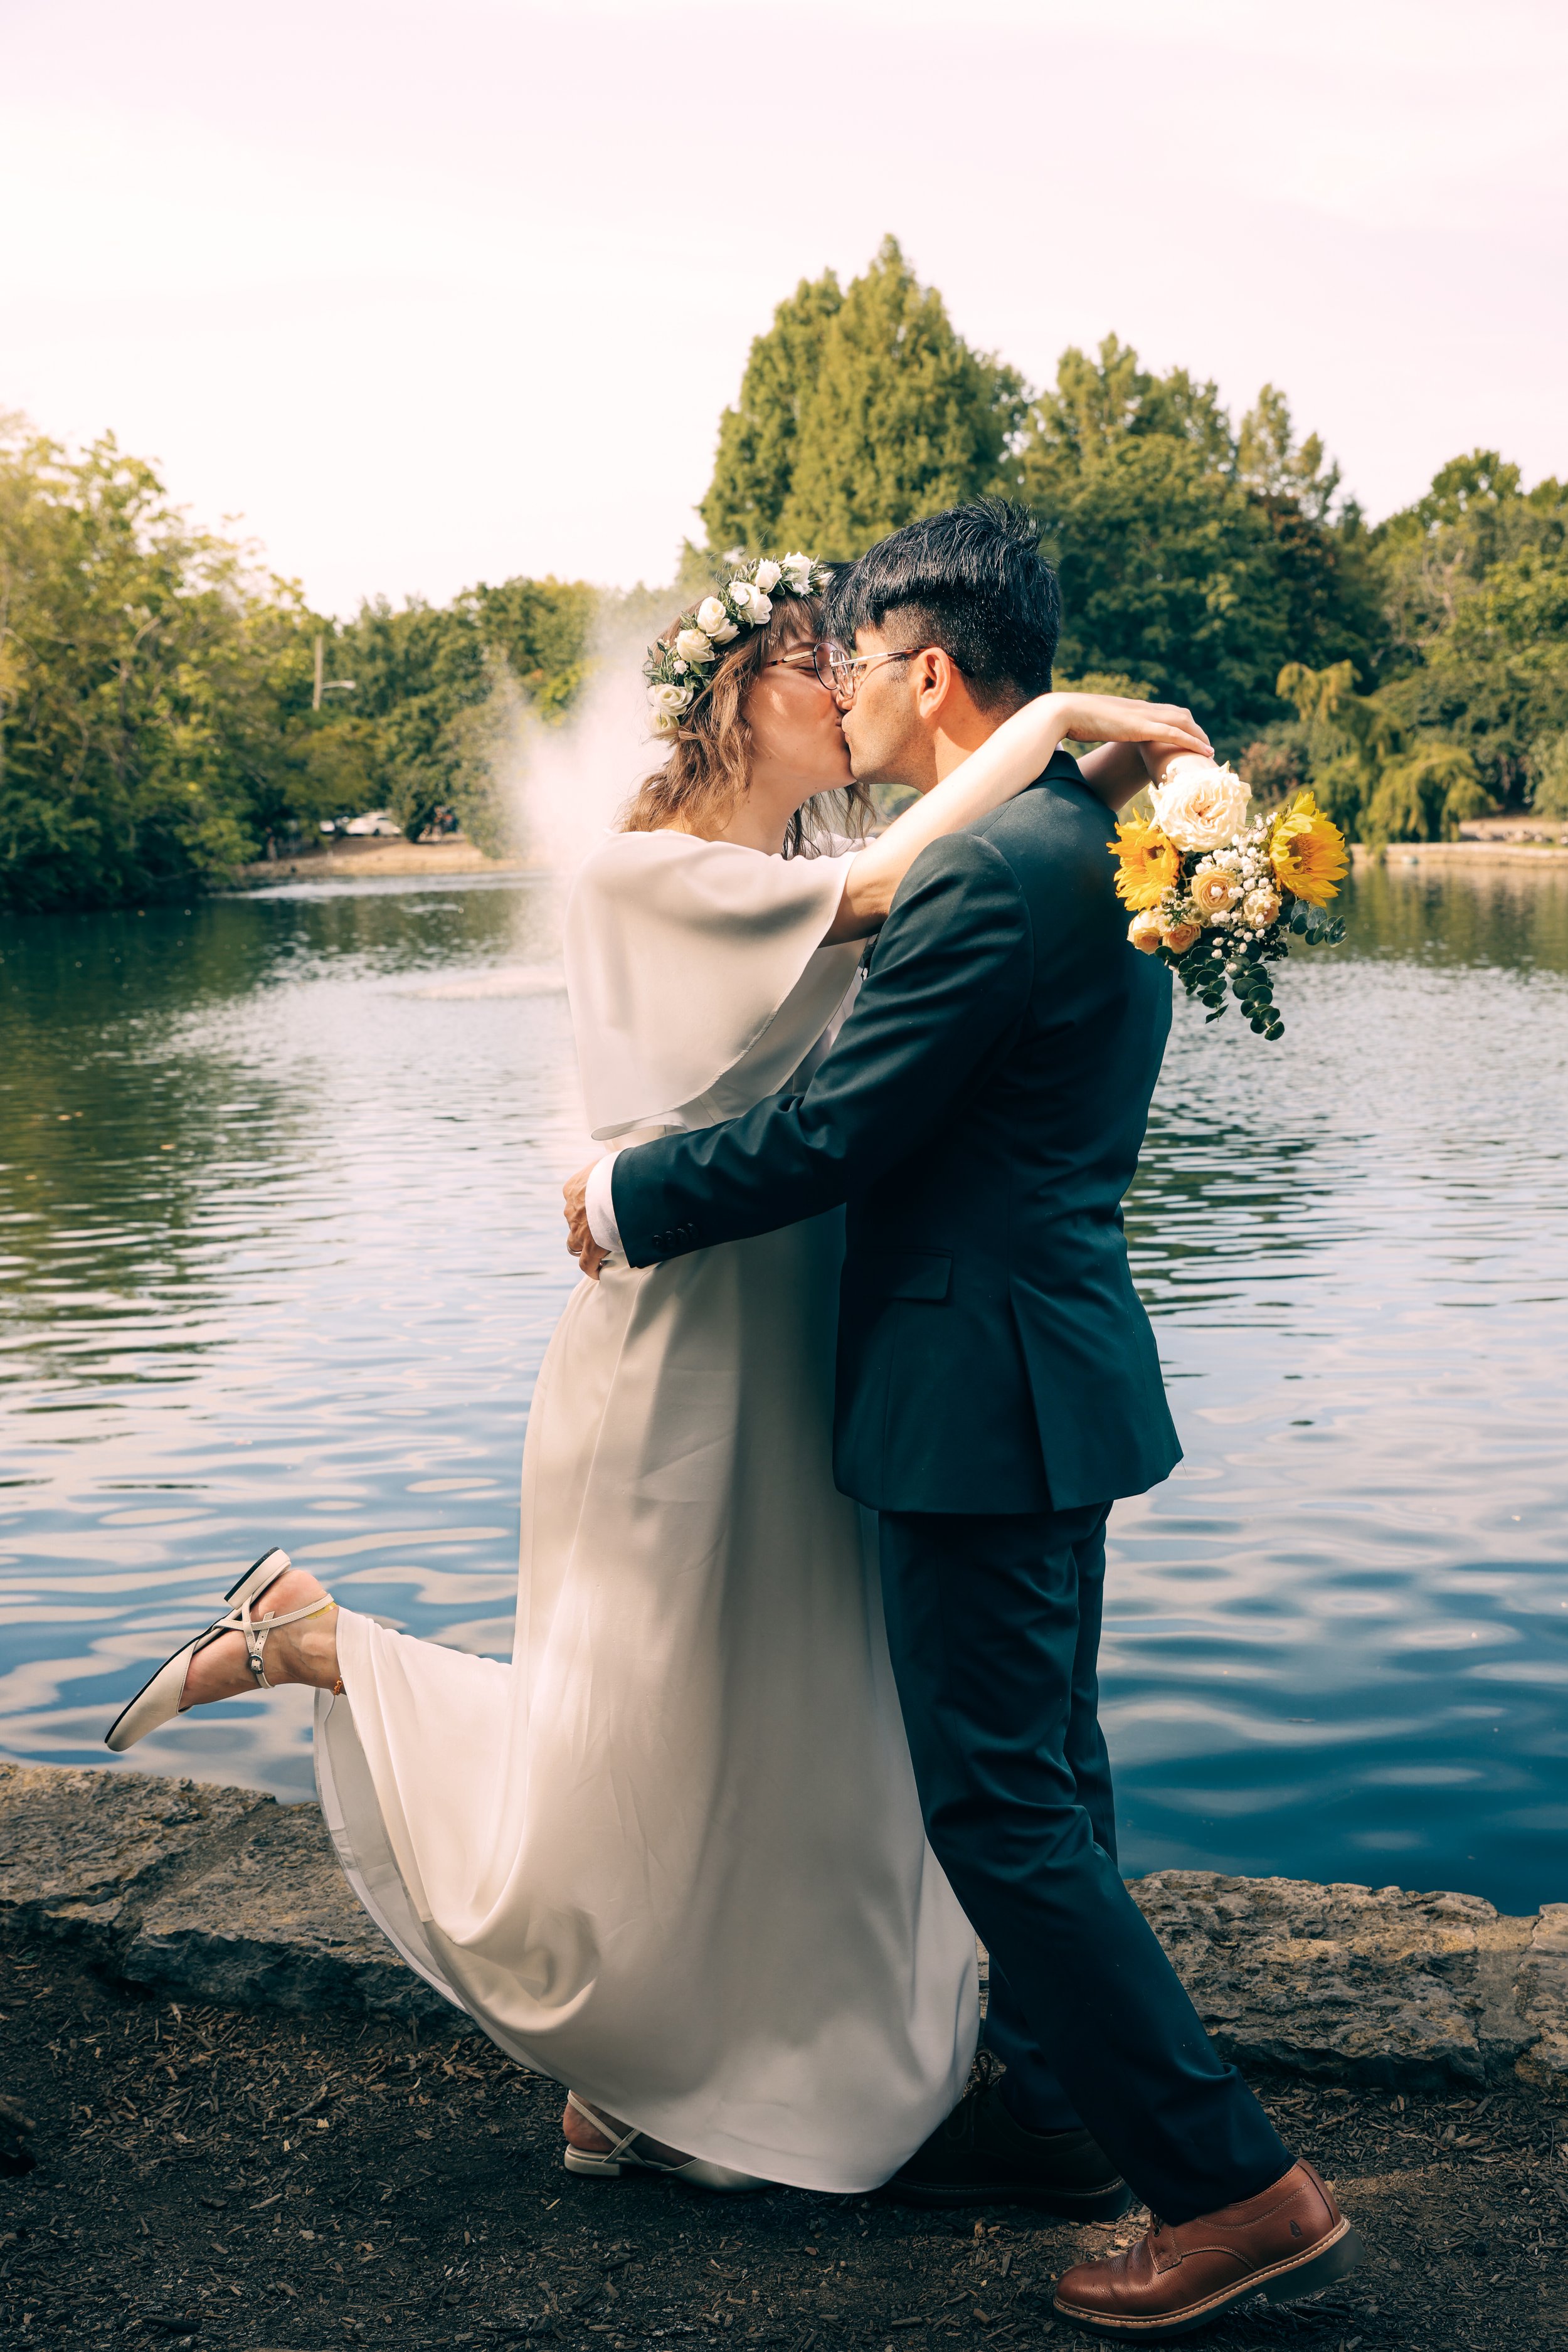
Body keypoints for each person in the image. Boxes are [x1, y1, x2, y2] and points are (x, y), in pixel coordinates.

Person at [103, 549, 1204, 2203]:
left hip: (818, 1340)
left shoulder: (853, 859)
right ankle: (328, 1651)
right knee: (640, 1722)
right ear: (735, 694)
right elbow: (883, 898)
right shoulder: (647, 873)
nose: (844, 686)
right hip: (682, 1338)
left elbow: (934, 914)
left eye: (860, 659)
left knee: (775, 1728)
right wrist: (1051, 716)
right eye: (809, 661)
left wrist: (1126, 784)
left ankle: (638, 2077)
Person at [564, 504, 1364, 2338]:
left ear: (927, 674)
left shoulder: (989, 870)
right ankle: (1059, 2114)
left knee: (1000, 1811)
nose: (832, 694)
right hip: (1042, 1362)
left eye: (850, 661)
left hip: (970, 1385)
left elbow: (839, 1130)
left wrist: (627, 1200)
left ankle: (1237, 2192)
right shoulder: (1069, 839)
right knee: (1052, 1783)